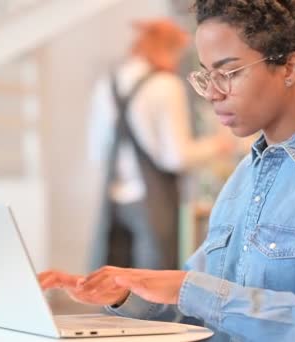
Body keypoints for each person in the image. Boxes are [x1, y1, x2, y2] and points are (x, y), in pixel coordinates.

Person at [41, 1, 295, 340]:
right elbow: (200, 307)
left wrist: (186, 287)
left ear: (290, 67)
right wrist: (128, 292)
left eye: (230, 72)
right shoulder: (245, 177)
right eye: (207, 75)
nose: (212, 93)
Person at [88, 18, 233, 270]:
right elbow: (176, 157)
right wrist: (218, 145)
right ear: (167, 49)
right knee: (153, 288)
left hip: (113, 201)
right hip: (153, 204)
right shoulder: (165, 86)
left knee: (114, 282)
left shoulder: (107, 83)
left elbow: (97, 152)